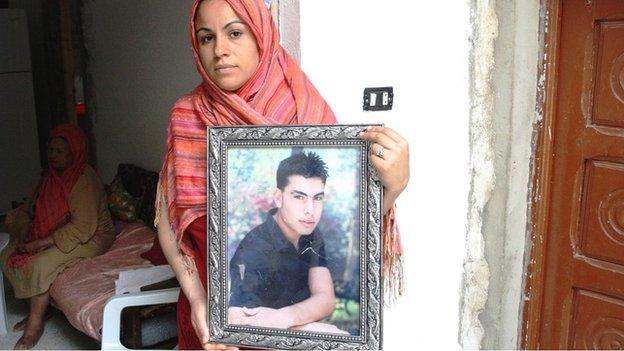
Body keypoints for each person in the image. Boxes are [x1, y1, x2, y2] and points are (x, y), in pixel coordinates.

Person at [155, 0, 409, 349]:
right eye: (207, 38)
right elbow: (169, 221)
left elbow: (357, 228)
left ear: (261, 32)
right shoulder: (187, 116)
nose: (221, 51)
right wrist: (198, 300)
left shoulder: (307, 114)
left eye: (235, 33)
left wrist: (394, 186)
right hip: (212, 322)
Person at [0, 124, 115, 350]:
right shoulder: (50, 176)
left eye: (59, 151)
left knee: (41, 264)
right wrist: (24, 223)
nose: (53, 156)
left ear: (74, 152)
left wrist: (40, 242)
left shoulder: (84, 179)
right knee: (10, 253)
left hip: (93, 236)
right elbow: (34, 207)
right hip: (65, 231)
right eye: (51, 150)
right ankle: (37, 311)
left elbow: (82, 228)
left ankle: (35, 325)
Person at [228, 152, 341, 332]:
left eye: (317, 198)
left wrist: (284, 317)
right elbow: (238, 319)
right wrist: (306, 326)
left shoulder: (311, 234)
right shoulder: (255, 247)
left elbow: (325, 299)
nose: (310, 210)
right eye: (299, 197)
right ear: (278, 198)